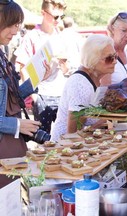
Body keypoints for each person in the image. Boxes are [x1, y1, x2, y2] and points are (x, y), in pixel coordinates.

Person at [0, 1, 49, 188]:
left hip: (11, 146)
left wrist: (36, 80)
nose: (16, 30)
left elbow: (12, 97)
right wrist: (17, 125)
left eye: (18, 24)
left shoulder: (2, 54)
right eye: (12, 23)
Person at [14, 0, 68, 134]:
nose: (58, 20)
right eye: (55, 16)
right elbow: (21, 66)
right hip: (42, 94)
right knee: (43, 140)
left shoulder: (61, 35)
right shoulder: (32, 36)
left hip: (61, 92)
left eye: (62, 17)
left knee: (65, 137)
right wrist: (33, 95)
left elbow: (66, 70)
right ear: (43, 13)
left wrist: (64, 63)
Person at [51, 34, 116, 141]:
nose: (115, 61)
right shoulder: (80, 84)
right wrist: (97, 126)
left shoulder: (92, 80)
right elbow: (73, 133)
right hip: (64, 148)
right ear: (93, 60)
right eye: (109, 58)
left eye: (115, 56)